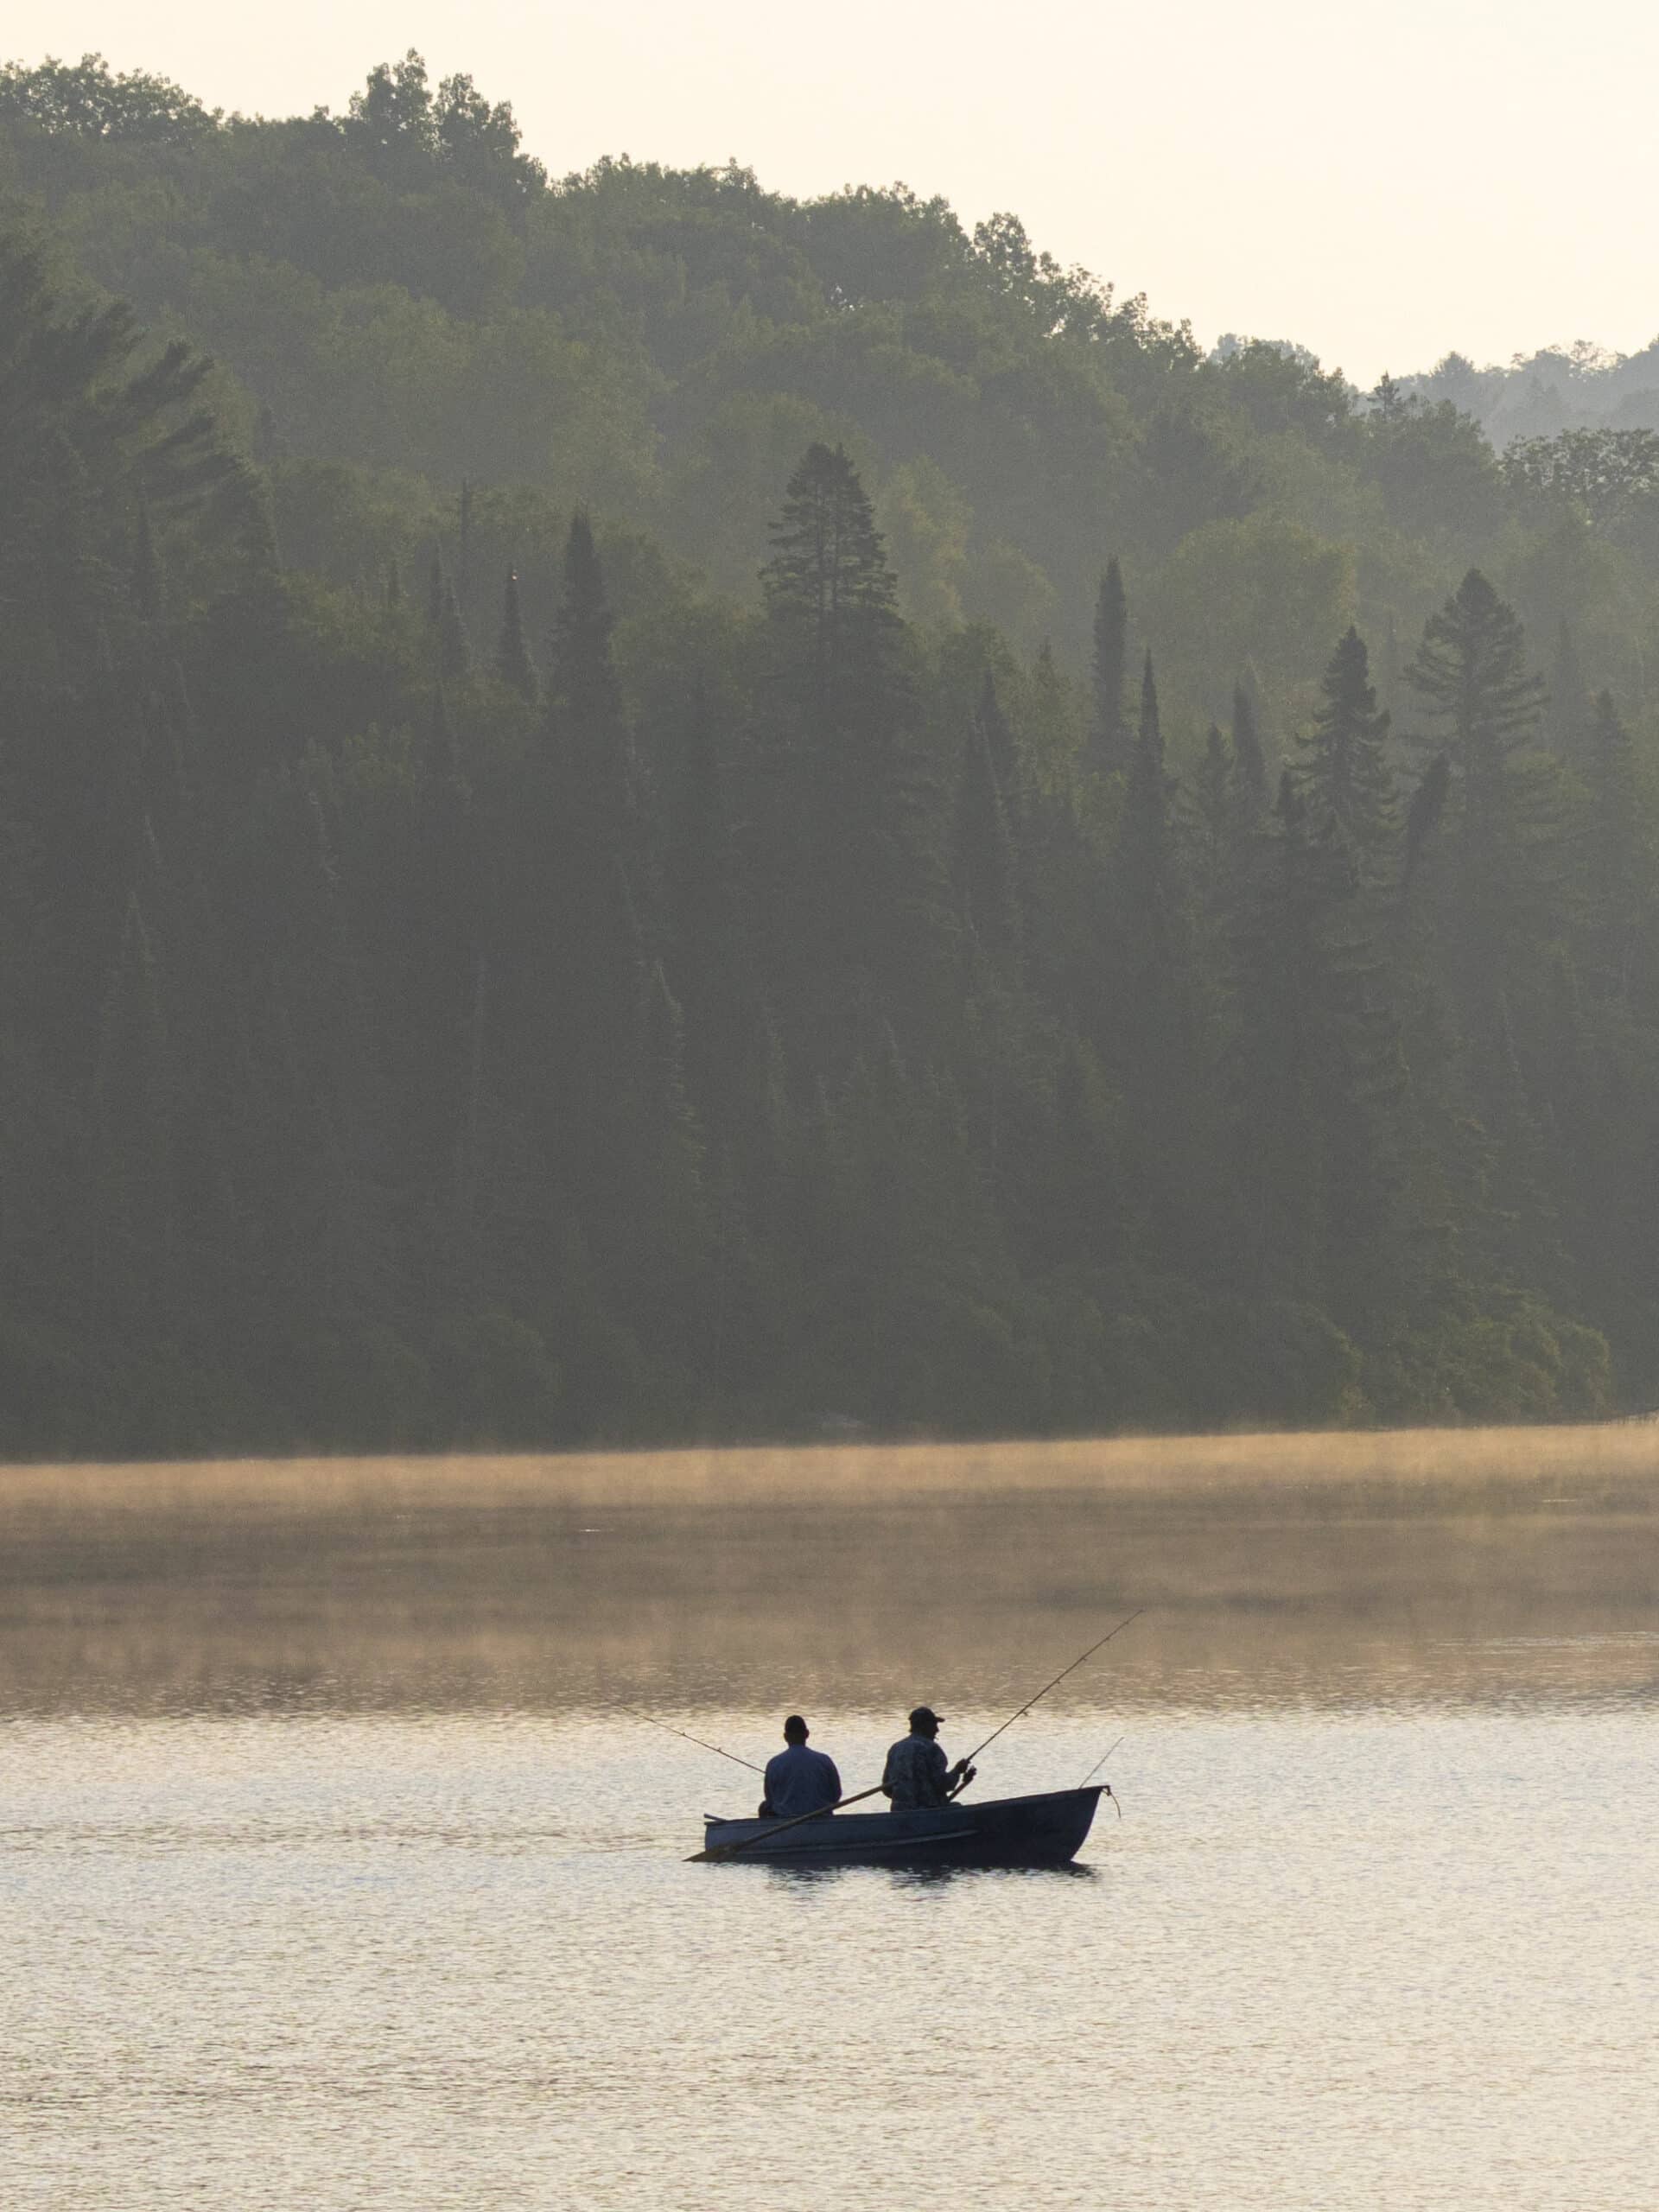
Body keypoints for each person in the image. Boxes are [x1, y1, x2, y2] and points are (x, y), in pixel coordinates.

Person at [881, 1706, 976, 1811]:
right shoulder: (931, 1748)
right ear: (924, 1726)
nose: (937, 1730)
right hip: (927, 1811)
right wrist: (957, 1771)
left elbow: (886, 1789)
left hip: (899, 1811)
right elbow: (942, 1785)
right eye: (934, 1725)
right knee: (957, 1808)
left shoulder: (896, 1748)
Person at [759, 1715, 842, 1820]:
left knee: (764, 1807)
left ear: (785, 1737)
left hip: (784, 1821)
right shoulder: (824, 1760)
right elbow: (836, 1795)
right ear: (807, 1734)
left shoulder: (774, 1763)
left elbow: (770, 1799)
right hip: (822, 1819)